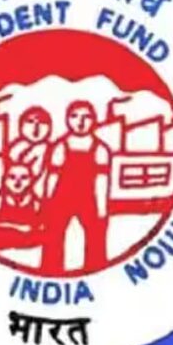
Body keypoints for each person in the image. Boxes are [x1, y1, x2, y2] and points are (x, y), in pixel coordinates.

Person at [42, 100, 111, 274]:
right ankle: (51, 270)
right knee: (53, 236)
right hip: (61, 198)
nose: (80, 122)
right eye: (75, 116)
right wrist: (47, 200)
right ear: (67, 119)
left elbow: (102, 179)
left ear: (94, 120)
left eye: (86, 117)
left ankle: (96, 270)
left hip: (88, 199)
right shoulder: (60, 146)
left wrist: (102, 207)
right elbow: (52, 176)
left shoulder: (100, 149)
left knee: (96, 236)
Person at [0, 163, 46, 252]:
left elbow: (41, 224)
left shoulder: (35, 201)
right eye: (12, 177)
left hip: (28, 242)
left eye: (24, 177)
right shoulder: (0, 198)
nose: (18, 182)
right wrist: (18, 228)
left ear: (31, 180)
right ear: (5, 179)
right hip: (3, 239)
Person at [8, 107, 53, 199]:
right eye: (30, 122)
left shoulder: (51, 150)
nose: (36, 127)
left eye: (42, 123)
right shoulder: (15, 148)